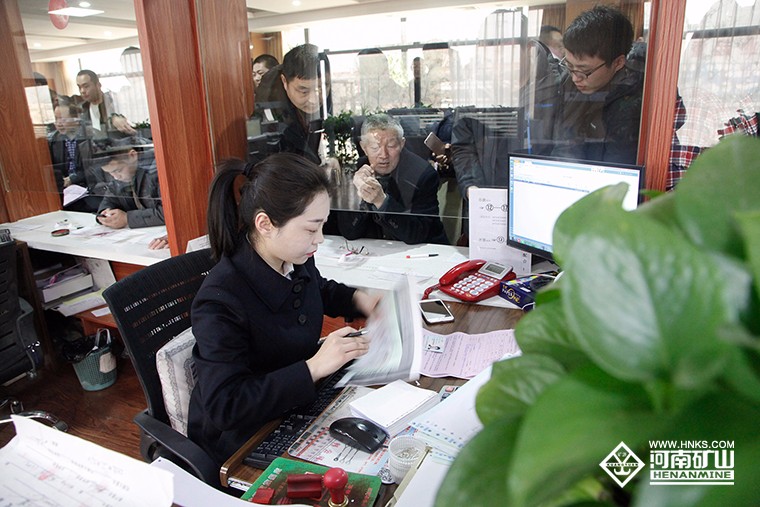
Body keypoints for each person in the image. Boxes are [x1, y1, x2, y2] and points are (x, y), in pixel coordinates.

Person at [187, 153, 379, 465]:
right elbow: (226, 406)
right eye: (311, 229)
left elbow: (317, 288)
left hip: (293, 405)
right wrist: (314, 367)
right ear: (265, 224)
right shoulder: (221, 300)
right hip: (244, 438)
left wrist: (361, 300)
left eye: (322, 226)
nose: (319, 240)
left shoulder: (292, 256)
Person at [550, 5, 643, 165]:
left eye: (585, 70)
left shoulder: (635, 101)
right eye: (569, 66)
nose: (575, 78)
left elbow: (618, 166)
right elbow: (565, 143)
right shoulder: (569, 82)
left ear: (618, 62)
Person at [336, 113, 448, 245]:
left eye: (391, 146)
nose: (383, 155)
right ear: (364, 148)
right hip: (375, 250)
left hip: (424, 250)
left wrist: (381, 201)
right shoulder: (354, 172)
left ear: (402, 144)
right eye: (375, 147)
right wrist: (360, 196)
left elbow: (417, 234)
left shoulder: (423, 174)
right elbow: (348, 232)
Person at [94, 137, 164, 230]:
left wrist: (127, 218)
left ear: (132, 156)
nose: (115, 177)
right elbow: (109, 200)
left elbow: (166, 213)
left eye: (118, 170)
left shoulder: (155, 171)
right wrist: (105, 213)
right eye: (109, 173)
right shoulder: (120, 178)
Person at [76, 69, 136, 136]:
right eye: (79, 87)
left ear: (98, 85)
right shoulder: (81, 110)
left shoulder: (114, 102)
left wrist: (115, 119)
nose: (82, 91)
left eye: (86, 86)